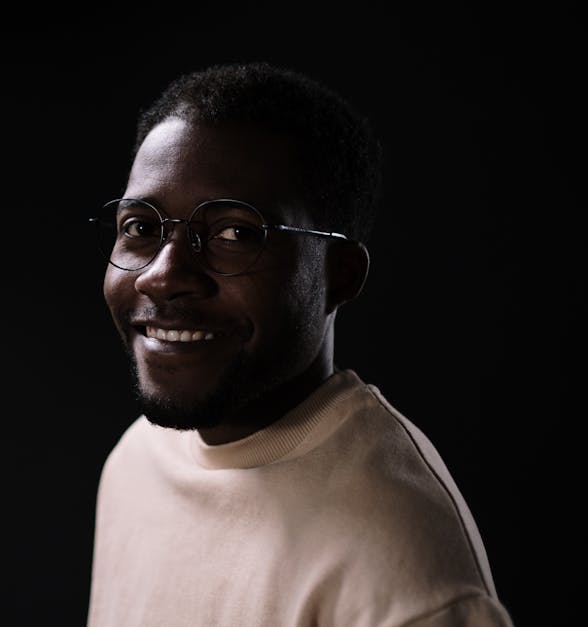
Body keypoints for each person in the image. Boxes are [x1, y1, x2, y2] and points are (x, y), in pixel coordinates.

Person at [85, 62, 514, 626]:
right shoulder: (136, 463)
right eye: (141, 227)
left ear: (340, 274)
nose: (162, 277)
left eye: (235, 233)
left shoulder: (407, 581)